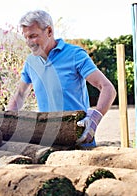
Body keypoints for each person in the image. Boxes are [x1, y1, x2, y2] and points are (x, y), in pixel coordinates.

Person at [7, 10, 116, 146]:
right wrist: (6, 120)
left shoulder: (75, 55)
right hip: (48, 143)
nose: (29, 42)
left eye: (33, 36)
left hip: (79, 141)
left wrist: (95, 117)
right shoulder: (31, 62)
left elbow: (107, 88)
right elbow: (20, 94)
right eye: (26, 37)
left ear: (49, 31)